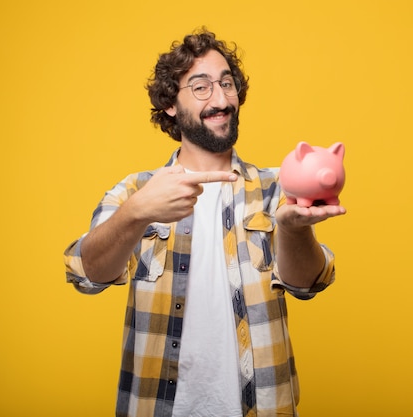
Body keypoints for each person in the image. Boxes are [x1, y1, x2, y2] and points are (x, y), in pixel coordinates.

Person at [64, 27, 345, 417]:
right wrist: (136, 213)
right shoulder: (137, 191)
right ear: (170, 105)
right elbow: (85, 274)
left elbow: (307, 283)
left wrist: (295, 229)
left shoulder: (274, 188)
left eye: (227, 83)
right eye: (201, 87)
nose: (221, 98)